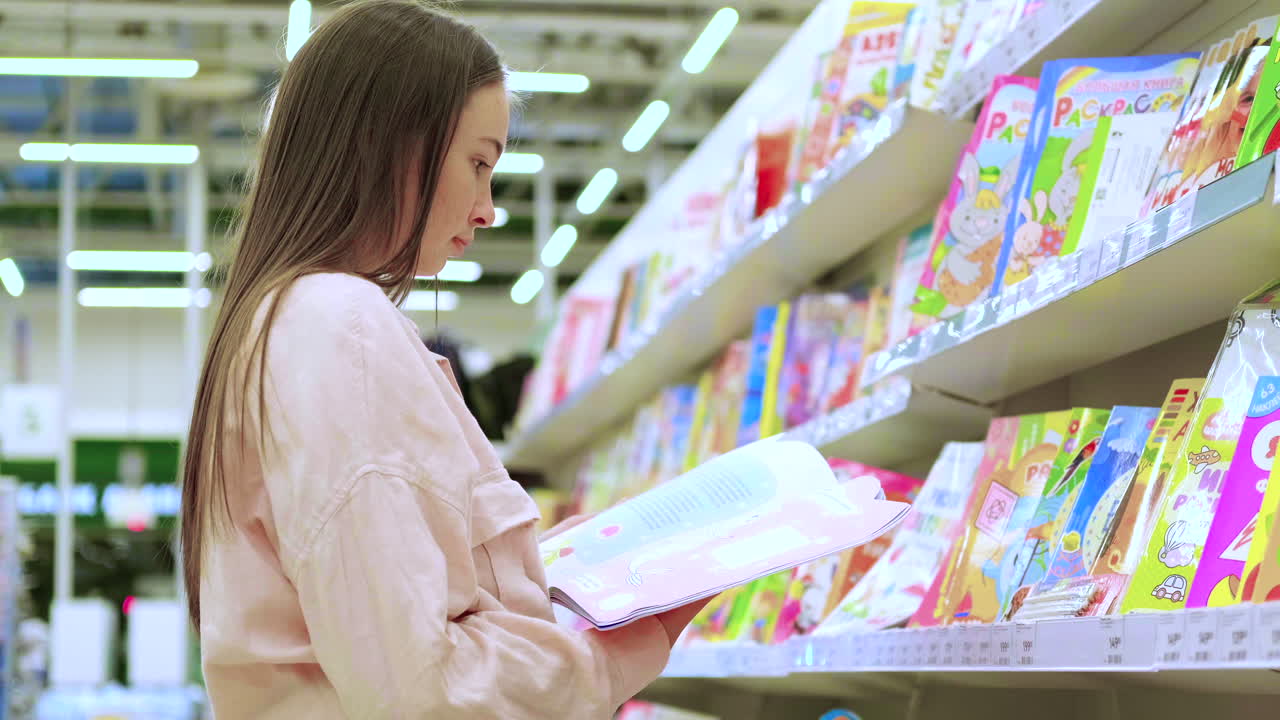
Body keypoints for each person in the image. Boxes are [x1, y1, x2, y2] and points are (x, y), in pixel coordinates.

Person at [180, 2, 708, 717]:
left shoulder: (283, 321)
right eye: (480, 162)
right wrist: (618, 651)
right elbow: (423, 686)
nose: (489, 208)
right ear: (392, 144)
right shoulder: (341, 327)